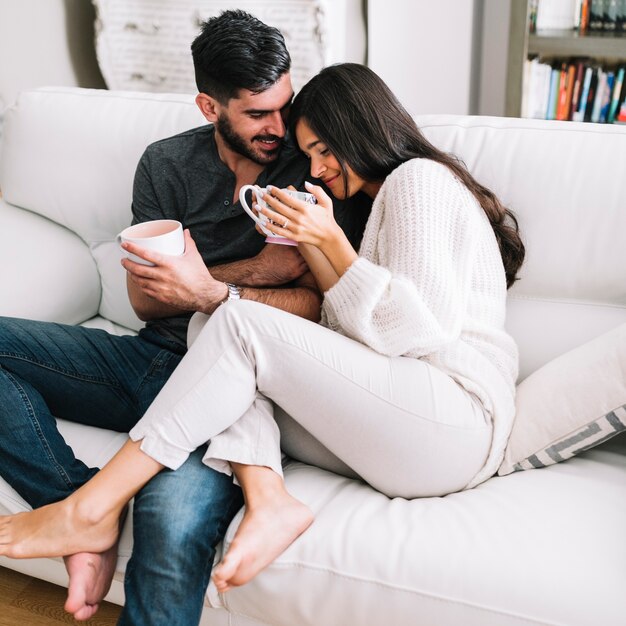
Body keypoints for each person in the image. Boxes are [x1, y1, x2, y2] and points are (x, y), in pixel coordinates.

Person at [0, 63, 524, 596]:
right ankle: (269, 498)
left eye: (322, 150)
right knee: (218, 318)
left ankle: (91, 507)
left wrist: (332, 244)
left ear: (360, 129)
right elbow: (347, 332)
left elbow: (415, 333)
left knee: (235, 317)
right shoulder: (367, 204)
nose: (316, 170)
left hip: (452, 419)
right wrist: (313, 245)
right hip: (399, 427)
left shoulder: (419, 179)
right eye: (311, 154)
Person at [0, 12, 368, 625]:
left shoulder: (310, 164)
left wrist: (202, 286)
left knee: (170, 528)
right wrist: (256, 269)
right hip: (152, 358)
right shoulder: (165, 165)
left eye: (284, 105)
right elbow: (146, 302)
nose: (279, 127)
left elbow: (313, 305)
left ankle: (95, 513)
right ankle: (80, 509)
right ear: (209, 106)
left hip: (239, 391)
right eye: (257, 114)